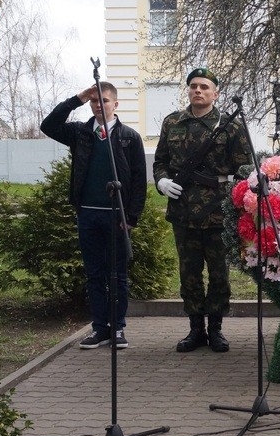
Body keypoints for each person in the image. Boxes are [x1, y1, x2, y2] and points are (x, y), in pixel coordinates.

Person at [41, 82, 147, 350]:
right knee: (95, 275)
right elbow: (49, 125)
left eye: (105, 101)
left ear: (116, 104)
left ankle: (119, 327)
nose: (99, 105)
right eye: (94, 101)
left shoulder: (129, 137)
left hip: (117, 216)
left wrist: (132, 215)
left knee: (118, 274)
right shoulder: (81, 134)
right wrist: (77, 98)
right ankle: (100, 328)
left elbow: (138, 181)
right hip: (88, 214)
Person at [153, 68, 251, 353]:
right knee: (189, 274)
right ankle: (195, 329)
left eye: (204, 87)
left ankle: (216, 329)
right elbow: (160, 160)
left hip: (218, 210)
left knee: (219, 274)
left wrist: (238, 204)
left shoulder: (230, 126)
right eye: (193, 86)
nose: (198, 90)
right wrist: (161, 181)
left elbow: (244, 169)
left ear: (215, 93)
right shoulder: (172, 122)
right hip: (182, 210)